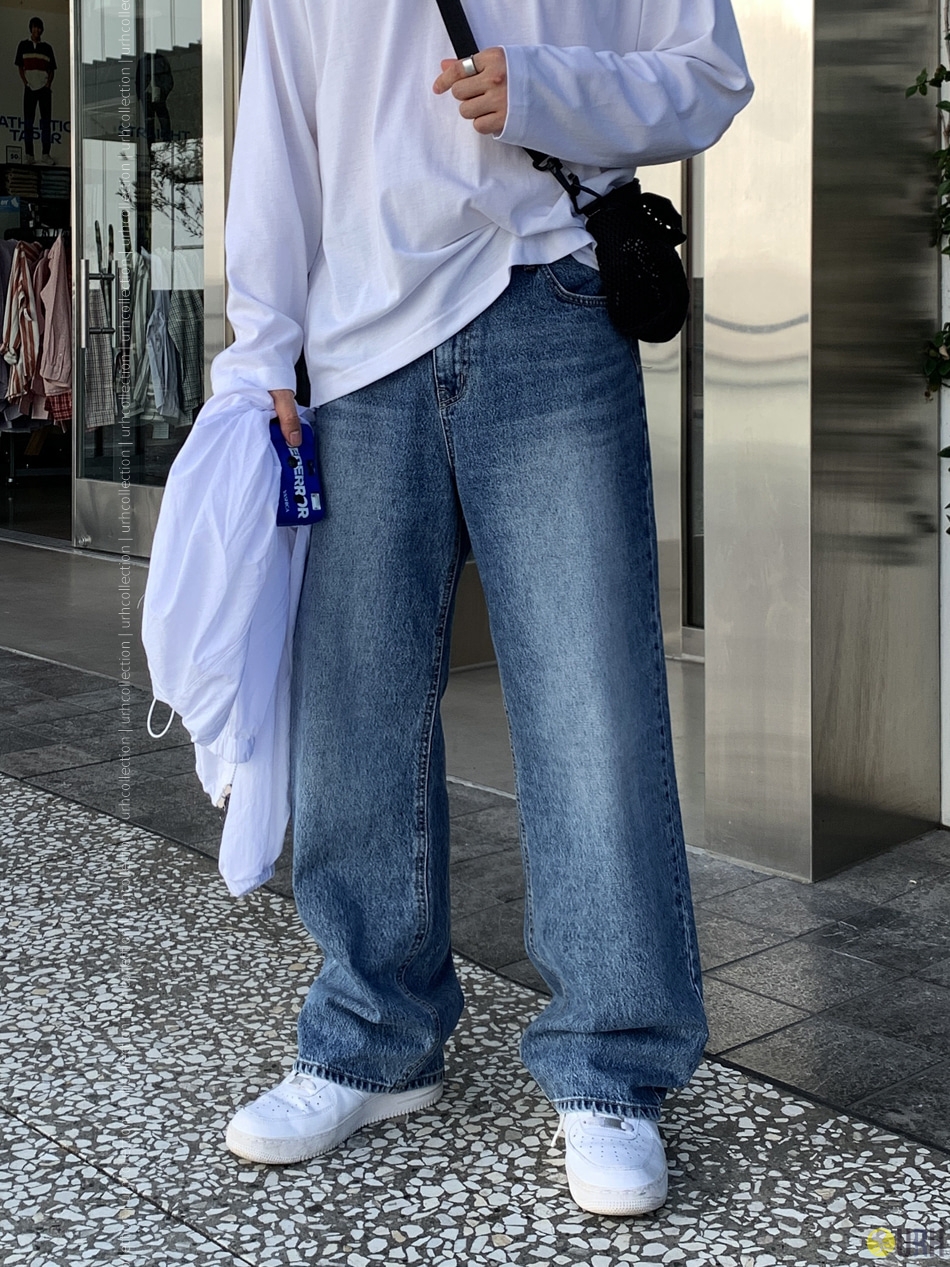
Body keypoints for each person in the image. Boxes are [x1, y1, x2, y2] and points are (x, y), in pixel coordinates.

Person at [213, 0, 752, 1216]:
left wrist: (548, 91)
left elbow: (709, 75)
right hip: (357, 345)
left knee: (590, 707)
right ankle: (369, 1040)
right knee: (353, 716)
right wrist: (261, 352)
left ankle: (609, 1063)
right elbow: (280, 132)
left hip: (548, 305)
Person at [15, 17, 56, 166]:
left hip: (44, 89)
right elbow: (20, 67)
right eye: (34, 27)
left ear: (42, 30)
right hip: (30, 88)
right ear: (30, 28)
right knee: (28, 122)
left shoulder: (47, 48)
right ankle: (29, 155)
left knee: (46, 123)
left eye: (39, 28)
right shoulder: (23, 45)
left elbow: (52, 70)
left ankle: (45, 154)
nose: (36, 30)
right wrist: (26, 82)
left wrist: (48, 84)